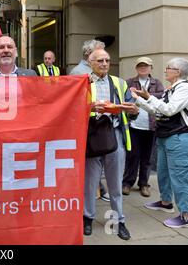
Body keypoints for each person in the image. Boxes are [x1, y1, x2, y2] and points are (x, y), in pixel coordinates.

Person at [83, 48, 139, 241]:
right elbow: (71, 108)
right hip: (91, 137)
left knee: (115, 184)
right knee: (89, 184)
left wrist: (133, 109)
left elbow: (133, 108)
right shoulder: (83, 82)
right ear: (90, 62)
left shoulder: (119, 82)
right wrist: (90, 107)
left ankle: (119, 221)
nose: (105, 64)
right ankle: (87, 218)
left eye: (107, 60)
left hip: (115, 137)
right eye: (100, 60)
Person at [132, 58, 188, 228]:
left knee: (179, 177)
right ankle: (165, 202)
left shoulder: (184, 89)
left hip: (178, 137)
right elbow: (157, 109)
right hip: (165, 135)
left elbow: (169, 110)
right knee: (163, 172)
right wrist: (138, 99)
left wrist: (148, 96)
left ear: (177, 72)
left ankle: (185, 215)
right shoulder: (171, 89)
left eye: (168, 68)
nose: (165, 71)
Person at [69, 39, 110, 202]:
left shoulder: (102, 74)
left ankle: (97, 189)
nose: (104, 61)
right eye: (99, 56)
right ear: (89, 56)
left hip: (100, 125)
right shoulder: (79, 72)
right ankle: (91, 194)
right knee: (89, 164)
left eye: (106, 58)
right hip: (87, 126)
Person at [123, 57, 164, 197]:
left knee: (147, 158)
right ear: (136, 68)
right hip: (134, 125)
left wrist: (144, 95)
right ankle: (127, 183)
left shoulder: (156, 83)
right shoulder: (129, 82)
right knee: (132, 155)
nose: (143, 68)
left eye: (146, 66)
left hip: (151, 126)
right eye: (140, 66)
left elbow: (162, 98)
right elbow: (124, 96)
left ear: (151, 68)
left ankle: (144, 184)